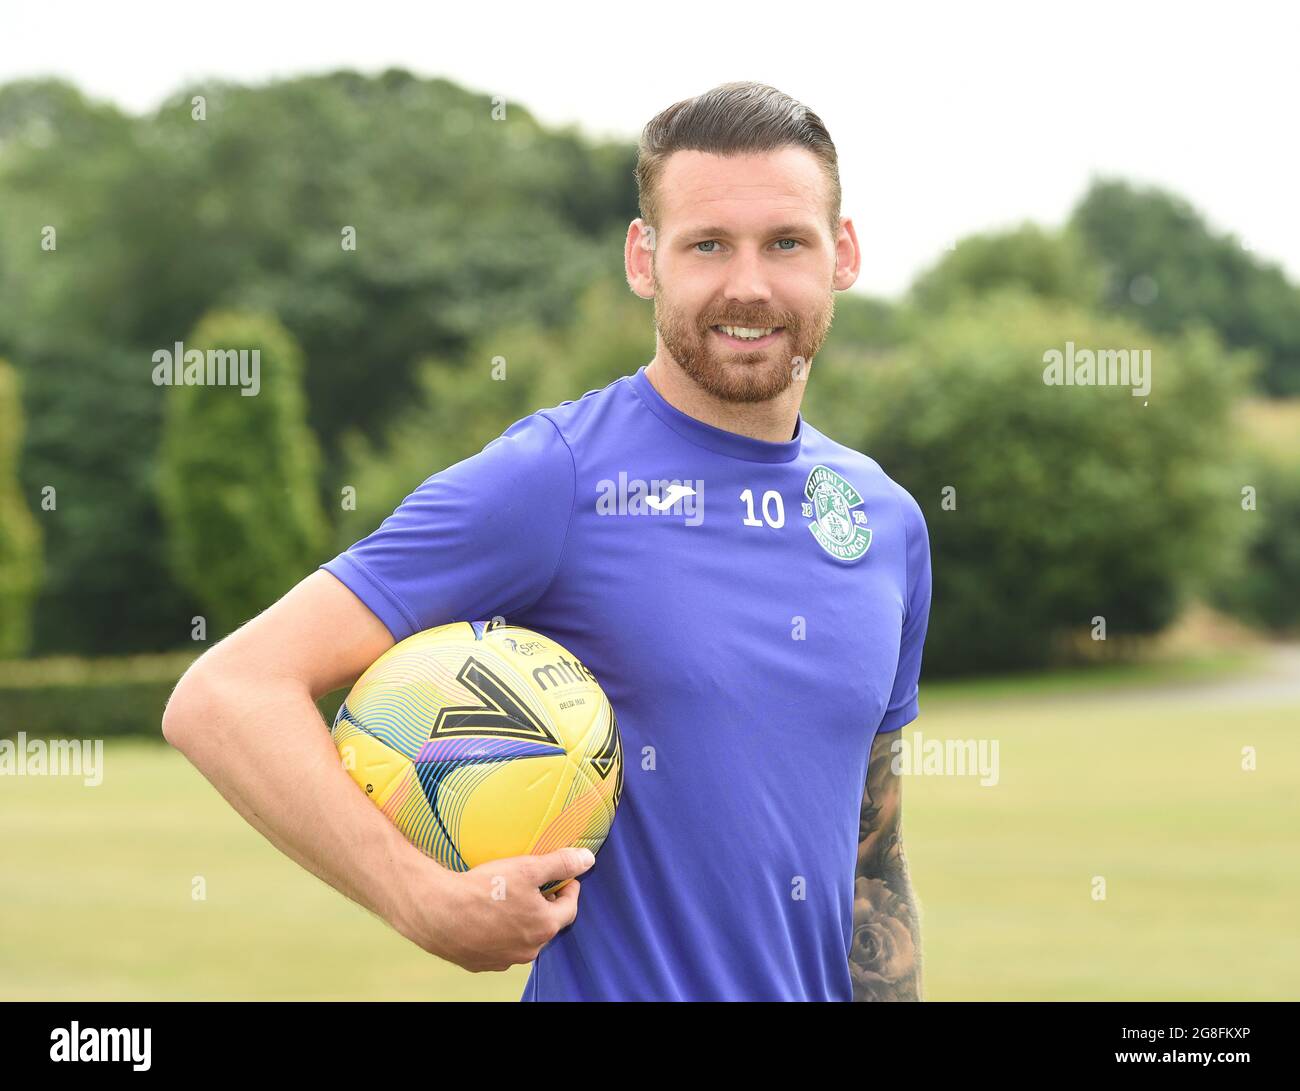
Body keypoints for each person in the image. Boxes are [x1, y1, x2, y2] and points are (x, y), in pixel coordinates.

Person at [163, 80, 932, 1001]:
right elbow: (225, 694)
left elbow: (871, 857)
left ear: (840, 253)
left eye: (785, 242)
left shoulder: (884, 520)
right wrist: (420, 899)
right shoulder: (553, 478)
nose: (748, 284)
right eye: (708, 245)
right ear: (644, 258)